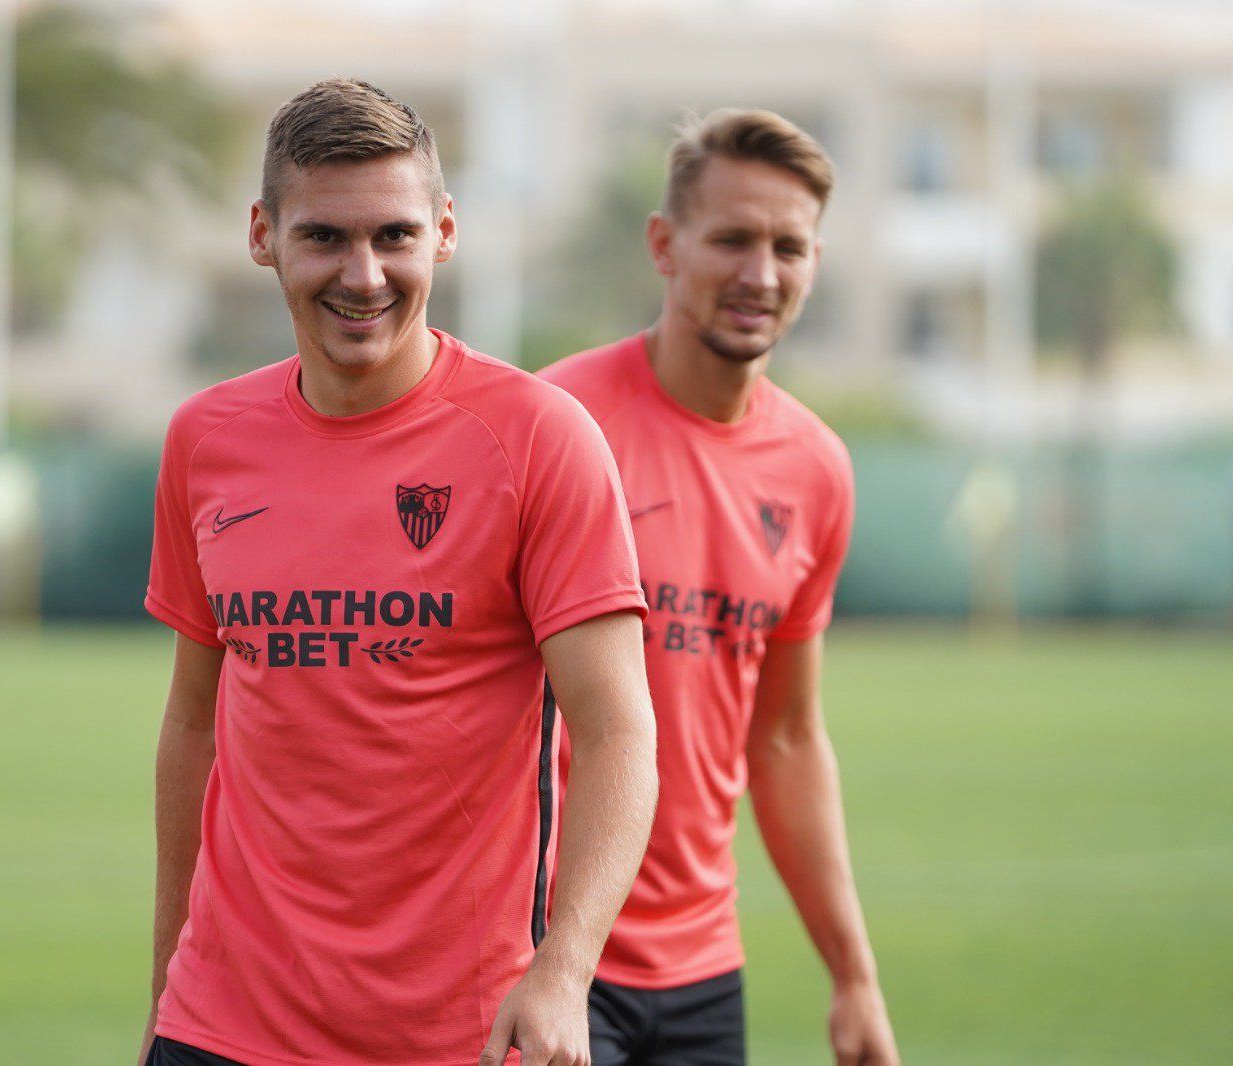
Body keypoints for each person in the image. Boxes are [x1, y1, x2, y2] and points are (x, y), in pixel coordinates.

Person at [139, 78, 658, 1066]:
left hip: (456, 1034)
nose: (364, 274)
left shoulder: (538, 439)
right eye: (325, 237)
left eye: (394, 236)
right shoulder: (204, 440)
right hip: (220, 1027)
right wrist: (167, 993)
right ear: (263, 235)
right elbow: (193, 724)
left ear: (444, 233)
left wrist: (565, 970)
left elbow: (618, 733)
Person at [540, 109, 900, 1066]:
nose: (761, 274)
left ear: (816, 261)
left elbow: (784, 738)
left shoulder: (817, 469)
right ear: (665, 244)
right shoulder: (558, 423)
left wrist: (854, 976)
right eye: (733, 239)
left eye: (789, 247)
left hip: (702, 972)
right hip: (548, 954)